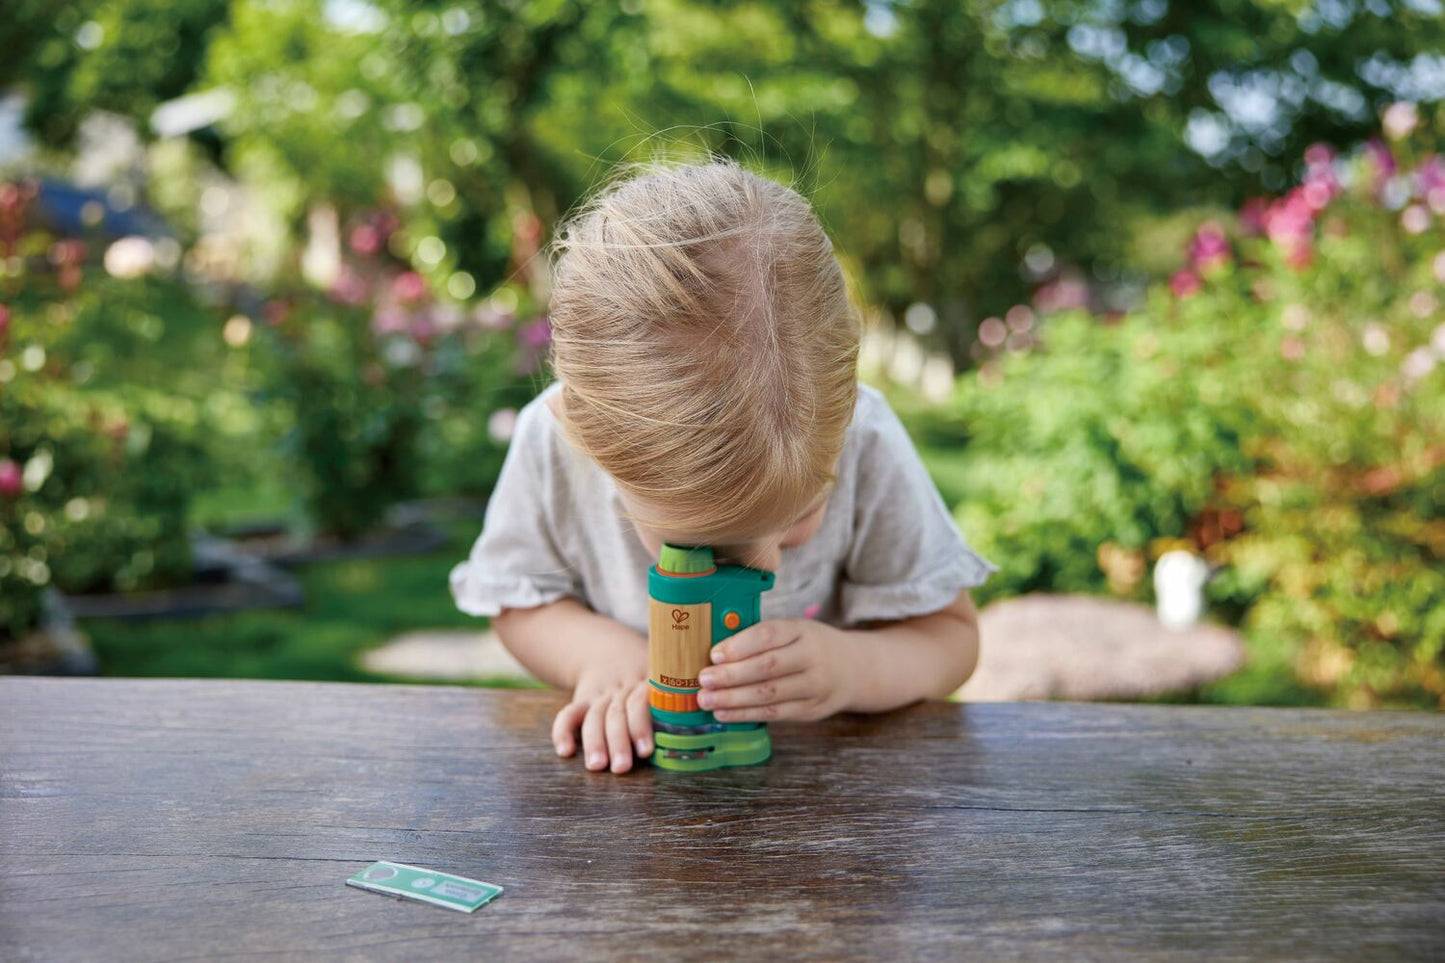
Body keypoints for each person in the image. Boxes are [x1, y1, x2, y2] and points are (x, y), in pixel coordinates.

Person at [449, 156, 996, 775]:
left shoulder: (863, 438)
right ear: (593, 446)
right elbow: (517, 601)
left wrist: (853, 669)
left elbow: (951, 636)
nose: (768, 564)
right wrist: (598, 656)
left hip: (829, 798)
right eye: (696, 547)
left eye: (801, 516)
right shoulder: (555, 442)